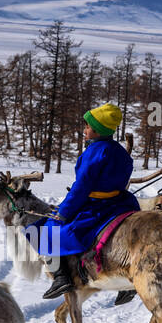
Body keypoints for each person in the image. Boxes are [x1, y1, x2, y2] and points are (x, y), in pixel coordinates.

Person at [26, 103, 140, 299]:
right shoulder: (120, 151)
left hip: (96, 206)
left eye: (87, 127)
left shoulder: (94, 152)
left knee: (42, 230)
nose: (84, 130)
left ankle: (62, 277)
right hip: (120, 202)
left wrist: (63, 211)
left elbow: (82, 187)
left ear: (97, 131)